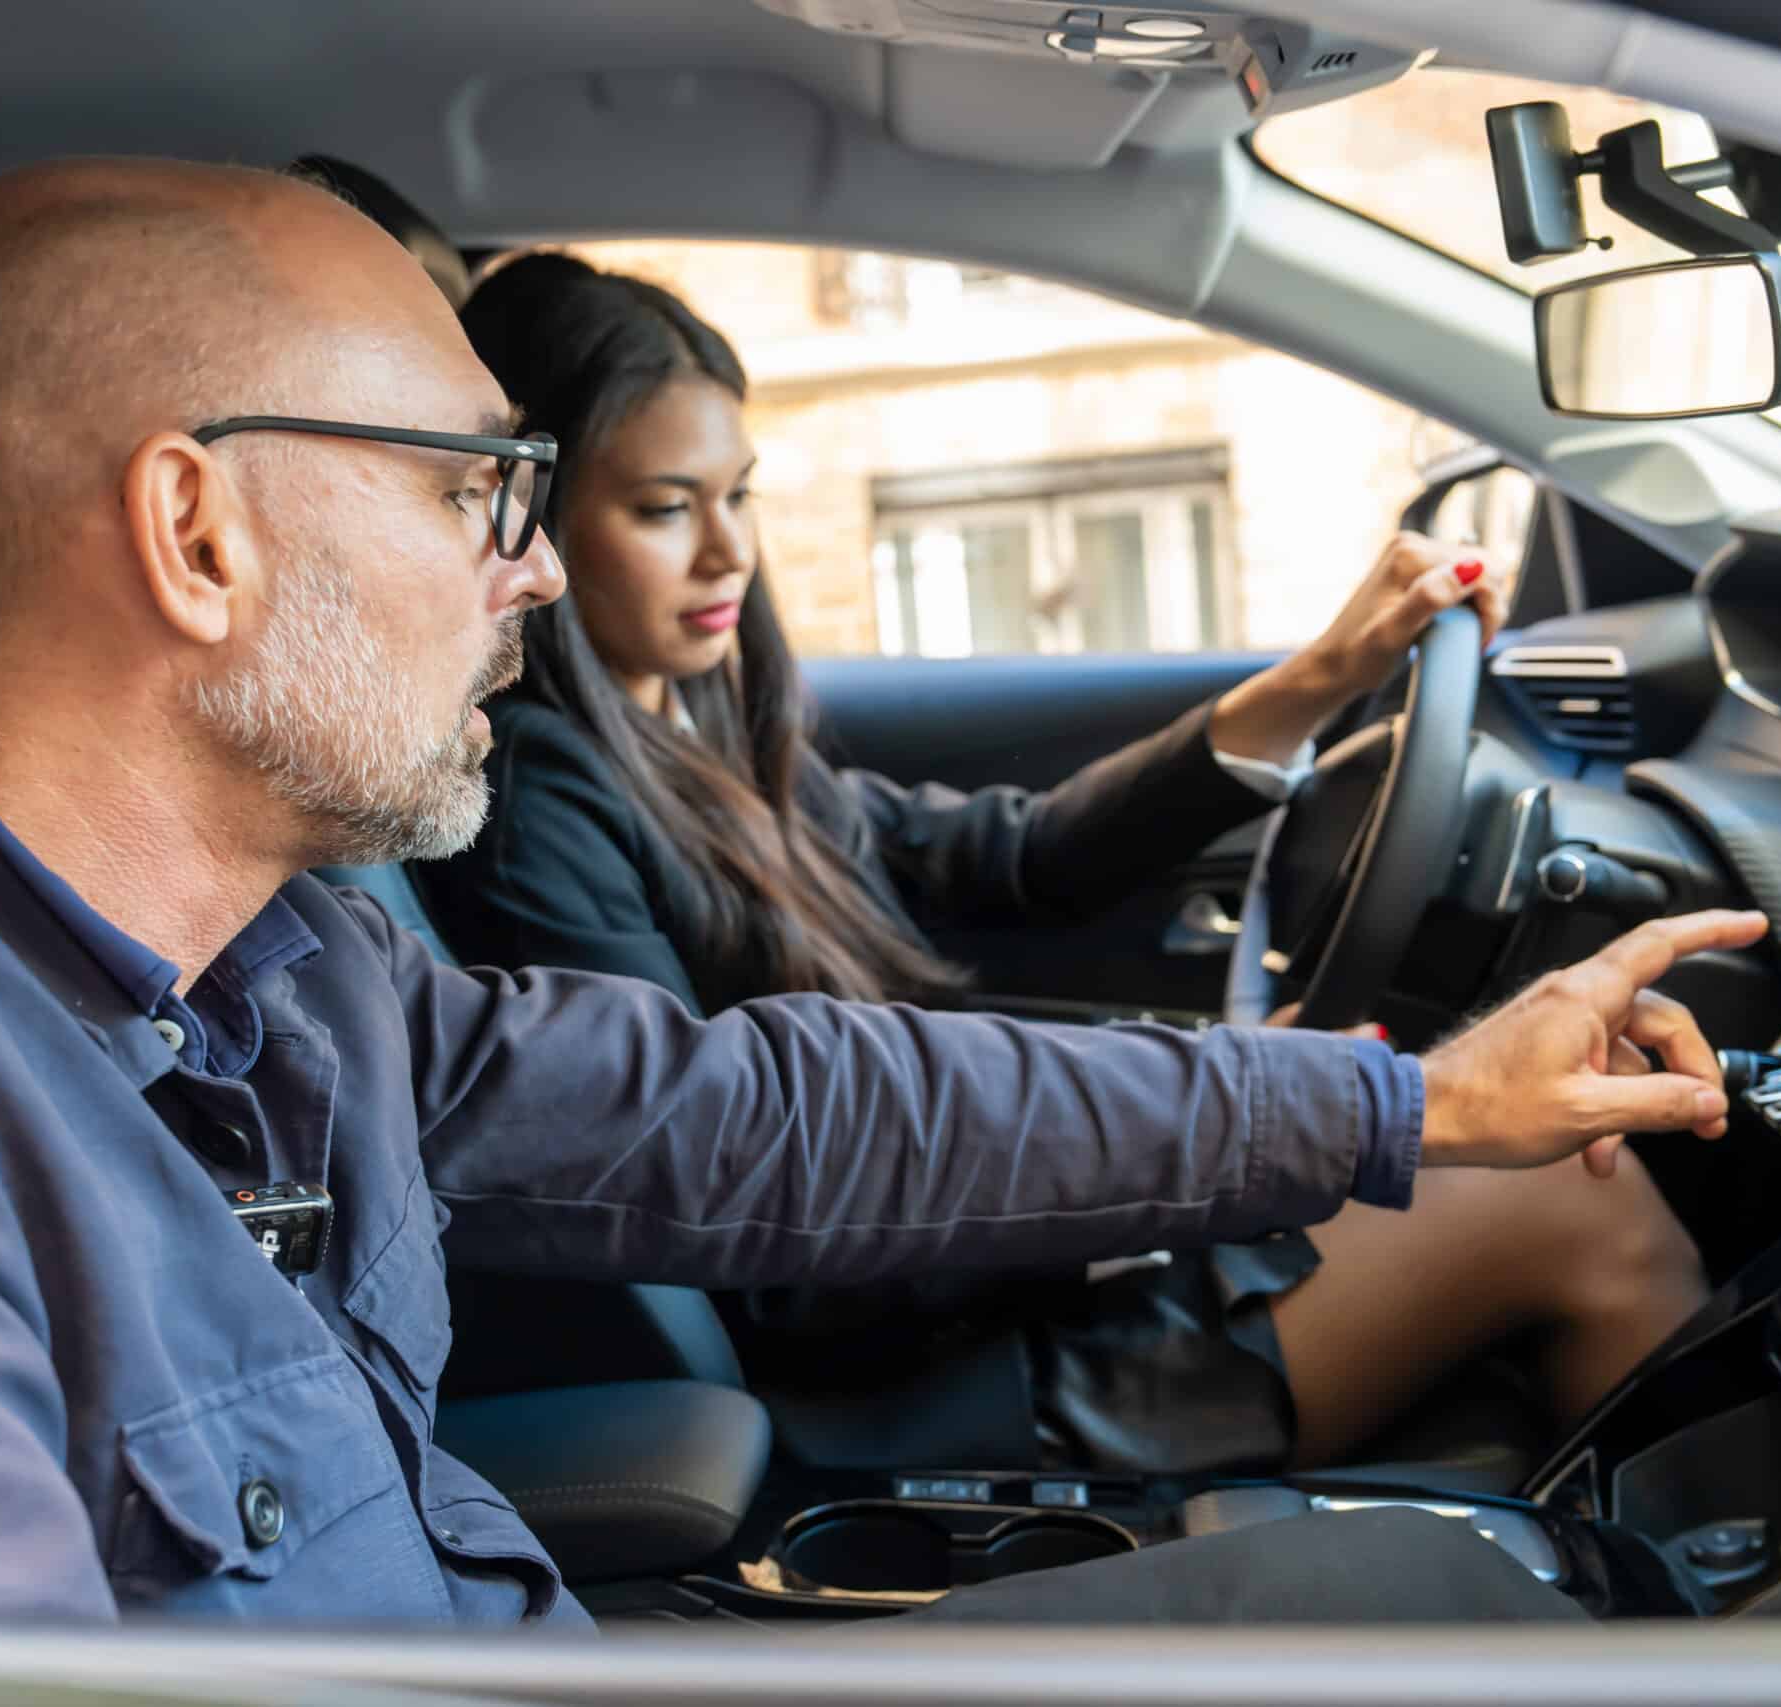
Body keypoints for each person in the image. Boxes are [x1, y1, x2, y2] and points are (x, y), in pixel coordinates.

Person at [0, 157, 1764, 1627]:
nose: (526, 577)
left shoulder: (288, 979)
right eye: (474, 489)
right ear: (198, 533)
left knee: (1467, 1606)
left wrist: (1407, 1114)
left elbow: (772, 1109)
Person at [425, 253, 1711, 1472]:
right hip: (901, 1380)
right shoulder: (542, 795)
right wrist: (1188, 1176)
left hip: (952, 1273)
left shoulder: (703, 724)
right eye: (663, 509)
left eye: (739, 494)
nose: (729, 552)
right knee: (1583, 1208)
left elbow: (1020, 859)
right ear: (527, 516)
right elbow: (727, 1192)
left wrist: (1328, 675)